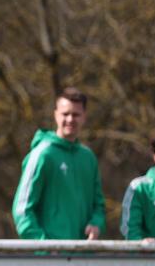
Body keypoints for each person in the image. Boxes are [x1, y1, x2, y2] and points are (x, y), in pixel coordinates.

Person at [13, 87, 105, 240]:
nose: (70, 119)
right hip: (50, 253)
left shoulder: (88, 158)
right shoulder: (42, 155)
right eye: (65, 114)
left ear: (84, 117)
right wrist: (43, 245)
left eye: (76, 114)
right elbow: (22, 210)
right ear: (56, 115)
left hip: (83, 251)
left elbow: (99, 206)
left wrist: (96, 224)